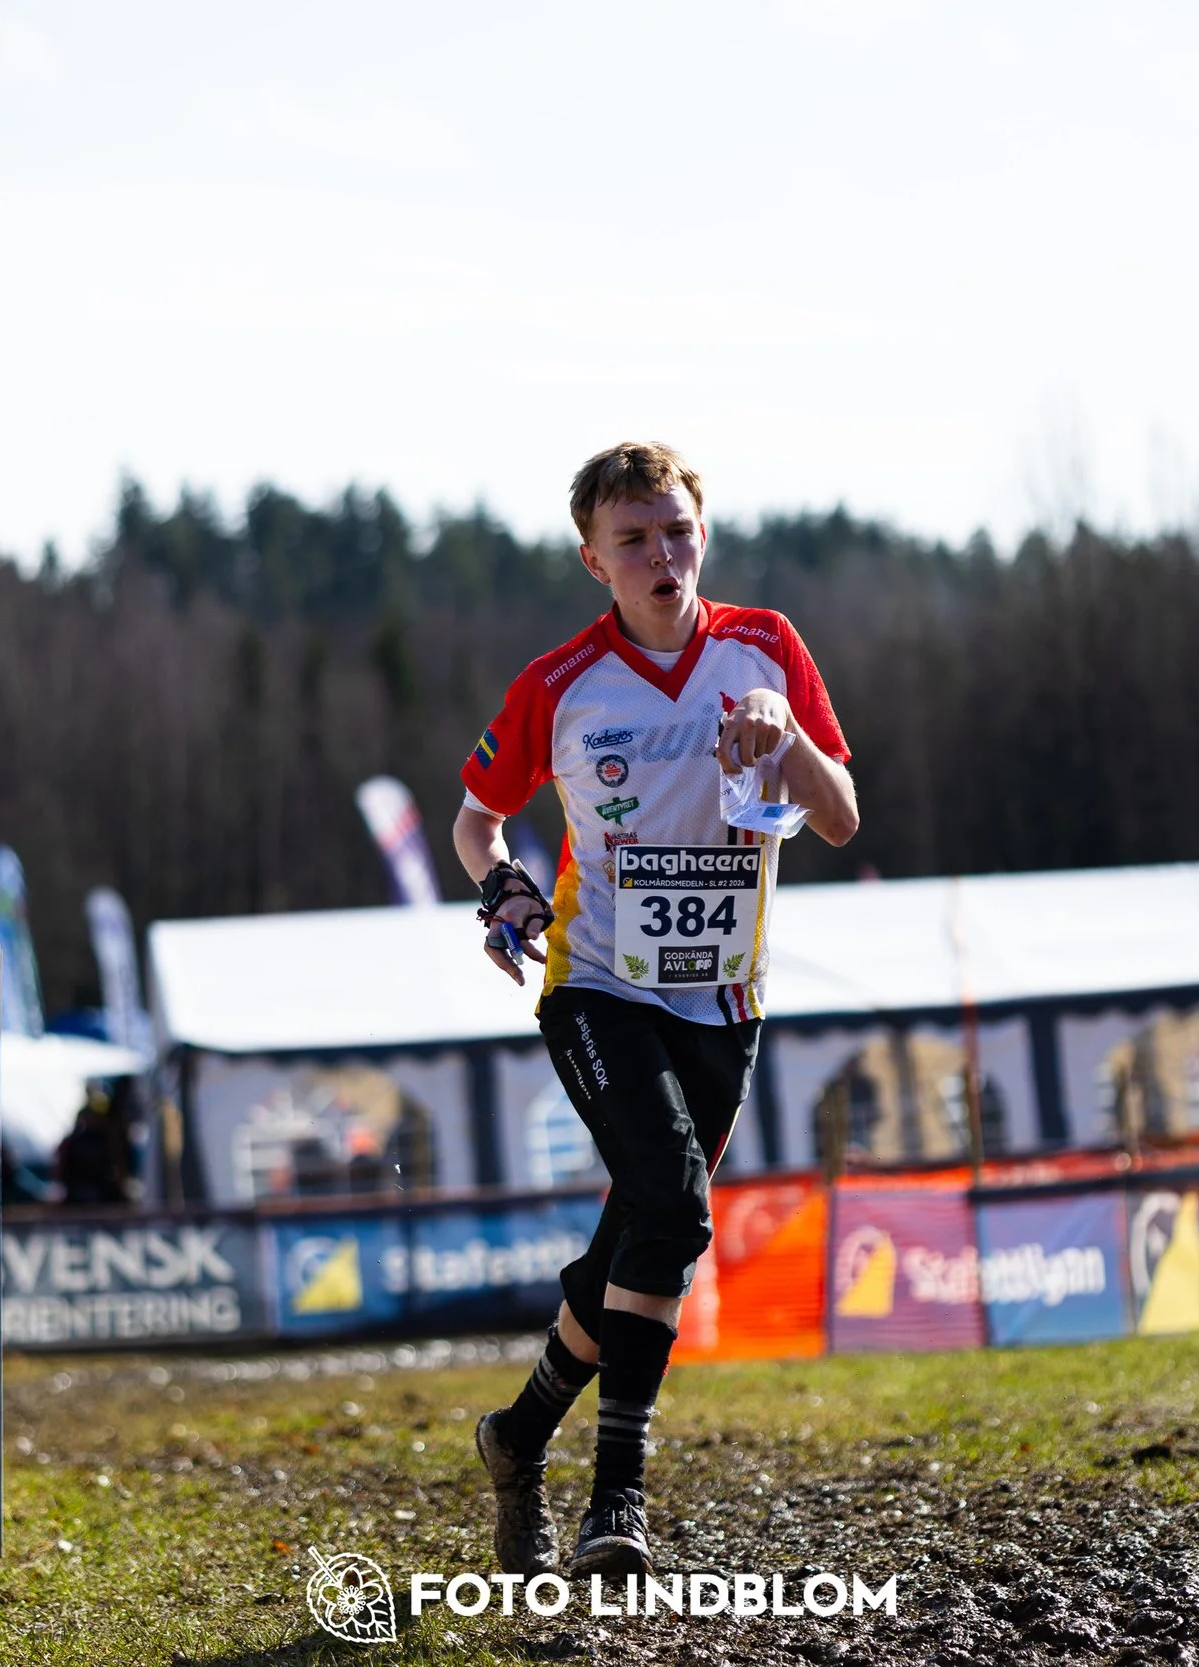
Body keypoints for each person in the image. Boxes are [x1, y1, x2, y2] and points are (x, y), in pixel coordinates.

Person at [454, 442, 858, 1579]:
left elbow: (839, 817)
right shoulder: (558, 683)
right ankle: (615, 1497)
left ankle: (518, 1432)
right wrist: (505, 888)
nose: (660, 553)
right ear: (595, 559)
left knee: (640, 1230)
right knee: (675, 1204)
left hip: (724, 998)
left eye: (675, 529)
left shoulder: (765, 647)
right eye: (633, 538)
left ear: (702, 536)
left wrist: (790, 747)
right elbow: (474, 820)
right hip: (597, 980)